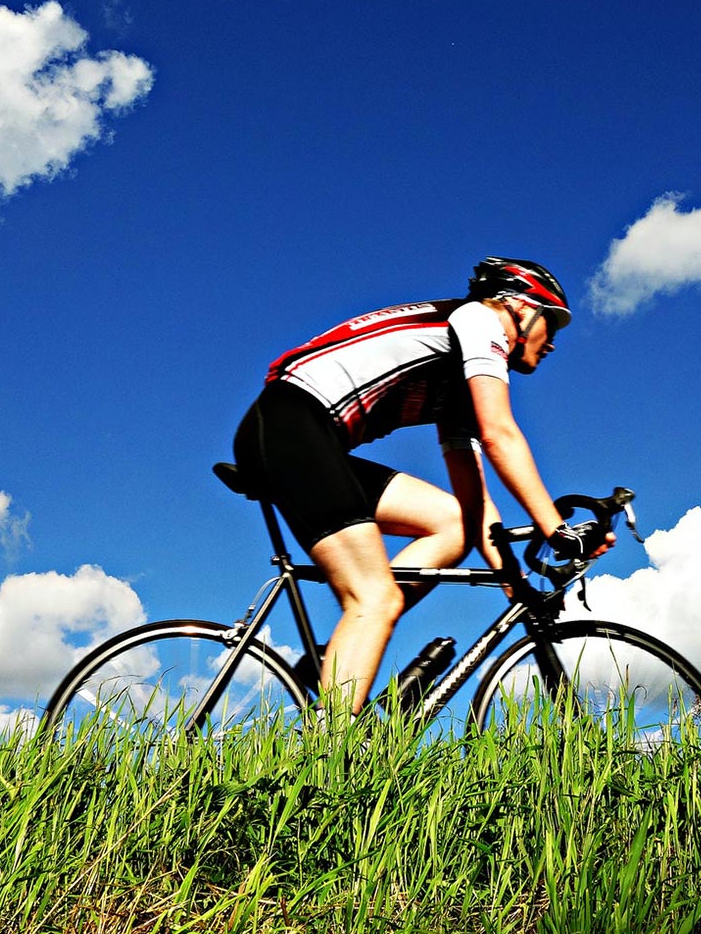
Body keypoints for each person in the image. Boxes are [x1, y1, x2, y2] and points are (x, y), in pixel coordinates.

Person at [232, 257, 611, 715]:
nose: (552, 343)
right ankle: (327, 759)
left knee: (451, 523)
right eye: (551, 324)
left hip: (302, 435)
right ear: (518, 307)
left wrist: (513, 580)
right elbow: (500, 434)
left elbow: (474, 506)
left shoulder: (456, 382)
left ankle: (339, 650)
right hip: (288, 425)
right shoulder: (480, 319)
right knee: (374, 597)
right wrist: (557, 530)